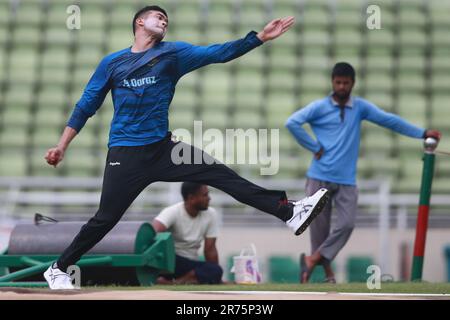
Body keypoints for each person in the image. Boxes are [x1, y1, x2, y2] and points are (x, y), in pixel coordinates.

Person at [43, 5, 330, 290]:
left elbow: (218, 53)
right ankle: (58, 269)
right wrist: (61, 145)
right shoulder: (112, 63)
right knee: (105, 219)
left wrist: (259, 38)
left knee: (219, 173)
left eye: (166, 19)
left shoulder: (173, 54)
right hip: (125, 153)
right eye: (158, 16)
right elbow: (86, 106)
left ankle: (289, 211)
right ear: (140, 22)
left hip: (162, 148)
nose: (164, 21)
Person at [285, 62, 442, 283]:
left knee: (347, 224)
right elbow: (291, 122)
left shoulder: (360, 108)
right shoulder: (319, 107)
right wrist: (314, 147)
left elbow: (390, 121)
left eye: (345, 83)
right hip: (318, 176)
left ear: (353, 83)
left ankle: (312, 260)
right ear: (332, 82)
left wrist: (422, 133)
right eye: (338, 82)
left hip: (347, 179)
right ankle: (326, 275)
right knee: (319, 231)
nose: (341, 87)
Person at [152, 182, 222, 284]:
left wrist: (216, 275)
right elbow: (153, 232)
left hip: (191, 264)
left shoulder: (211, 214)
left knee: (216, 270)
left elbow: (210, 250)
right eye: (205, 195)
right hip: (172, 261)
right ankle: (185, 279)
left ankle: (176, 282)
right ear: (191, 198)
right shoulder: (172, 211)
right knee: (214, 270)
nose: (209, 198)